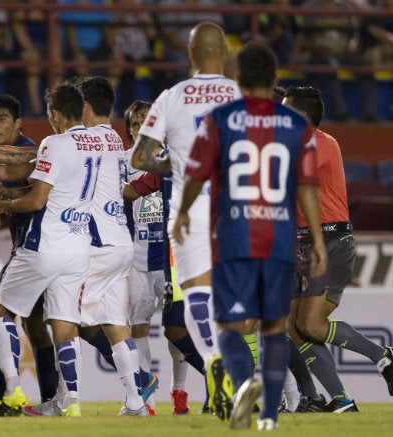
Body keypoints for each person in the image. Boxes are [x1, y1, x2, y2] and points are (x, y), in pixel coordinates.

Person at [173, 42, 328, 431]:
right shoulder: (297, 126)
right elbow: (307, 186)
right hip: (278, 237)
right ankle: (271, 416)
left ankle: (243, 386)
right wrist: (319, 241)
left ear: (238, 79)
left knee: (228, 326)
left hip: (233, 236)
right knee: (274, 326)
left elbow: (195, 173)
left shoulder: (220, 119)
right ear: (275, 79)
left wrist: (182, 216)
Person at [131, 21, 242, 418]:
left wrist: (174, 161)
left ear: (190, 54)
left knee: (194, 294)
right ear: (225, 53)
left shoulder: (171, 97)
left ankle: (215, 360)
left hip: (188, 214)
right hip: (235, 212)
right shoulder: (241, 96)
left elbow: (139, 158)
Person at [0, 83, 99, 417]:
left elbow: (34, 199)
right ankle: (65, 401)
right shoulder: (93, 145)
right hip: (75, 246)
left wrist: (1, 198)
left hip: (42, 246)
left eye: (2, 118)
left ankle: (10, 391)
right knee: (59, 325)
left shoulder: (47, 146)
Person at [282, 86, 393, 413]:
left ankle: (381, 355)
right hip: (299, 241)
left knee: (310, 325)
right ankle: (341, 400)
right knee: (292, 327)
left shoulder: (322, 144)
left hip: (330, 239)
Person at [0, 94, 61, 417]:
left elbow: (42, 197)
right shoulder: (7, 158)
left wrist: (7, 195)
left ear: (18, 123)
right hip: (29, 247)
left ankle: (3, 395)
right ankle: (50, 397)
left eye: (1, 118)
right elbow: (4, 213)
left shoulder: (30, 155)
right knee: (36, 325)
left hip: (38, 250)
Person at [122, 100, 209, 415]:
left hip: (171, 259)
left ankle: (180, 393)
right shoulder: (122, 161)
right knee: (138, 327)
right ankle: (145, 400)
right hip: (136, 259)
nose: (140, 129)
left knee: (178, 330)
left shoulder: (171, 160)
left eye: (147, 122)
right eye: (135, 123)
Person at [75, 76, 146, 416]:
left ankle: (63, 400)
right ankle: (136, 399)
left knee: (61, 319)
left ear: (85, 107)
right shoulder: (117, 141)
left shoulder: (84, 141)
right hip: (121, 241)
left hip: (96, 244)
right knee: (115, 324)